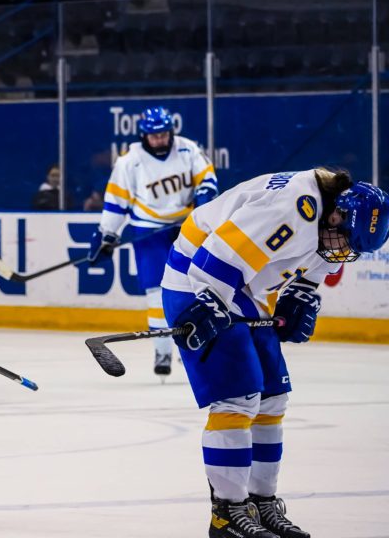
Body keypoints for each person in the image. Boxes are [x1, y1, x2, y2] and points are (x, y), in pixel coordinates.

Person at [160, 168, 389, 537]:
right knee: (237, 399)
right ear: (336, 214)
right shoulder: (290, 210)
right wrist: (209, 307)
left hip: (245, 288)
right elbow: (214, 259)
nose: (343, 249)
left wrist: (303, 292)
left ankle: (260, 503)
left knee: (272, 398)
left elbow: (317, 257)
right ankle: (227, 514)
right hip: (197, 281)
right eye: (345, 238)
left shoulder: (329, 216)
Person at [88, 106, 218, 380]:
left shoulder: (188, 149)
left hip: (186, 228)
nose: (160, 140)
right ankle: (162, 350)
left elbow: (206, 178)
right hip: (149, 232)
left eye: (164, 134)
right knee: (156, 294)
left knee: (195, 286)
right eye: (154, 135)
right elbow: (116, 202)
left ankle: (189, 347)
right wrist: (106, 235)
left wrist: (205, 194)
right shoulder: (129, 161)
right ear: (144, 135)